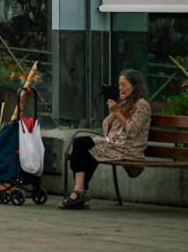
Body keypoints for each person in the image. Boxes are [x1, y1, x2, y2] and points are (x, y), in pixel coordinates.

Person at [61, 69, 151, 209]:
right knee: (81, 143)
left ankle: (78, 192)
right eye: (119, 84)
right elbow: (106, 130)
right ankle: (79, 190)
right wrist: (115, 111)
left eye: (124, 84)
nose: (120, 88)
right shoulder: (123, 103)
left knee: (86, 147)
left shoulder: (142, 105)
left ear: (135, 85)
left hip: (129, 149)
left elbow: (132, 131)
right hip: (114, 144)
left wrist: (116, 111)